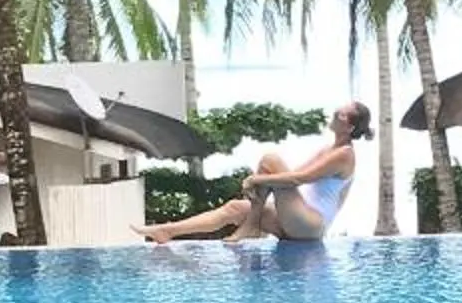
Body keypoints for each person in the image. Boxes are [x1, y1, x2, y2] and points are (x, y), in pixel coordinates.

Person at [138, 103, 371, 244]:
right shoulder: (328, 149)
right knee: (234, 208)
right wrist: (263, 181)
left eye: (341, 113)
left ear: (349, 127)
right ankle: (166, 231)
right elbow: (296, 174)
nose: (335, 112)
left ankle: (250, 226)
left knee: (270, 160)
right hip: (294, 220)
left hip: (309, 225)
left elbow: (299, 179)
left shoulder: (345, 155)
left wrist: (257, 179)